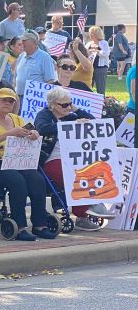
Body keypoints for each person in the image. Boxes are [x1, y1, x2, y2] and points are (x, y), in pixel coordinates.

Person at [0, 88, 56, 241]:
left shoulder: (16, 119)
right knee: (17, 181)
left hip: (16, 159)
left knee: (37, 180)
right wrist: (9, 133)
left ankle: (40, 224)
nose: (7, 103)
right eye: (4, 100)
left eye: (11, 101)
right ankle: (20, 226)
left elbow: (31, 132)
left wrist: (34, 134)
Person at [35, 86, 110, 232]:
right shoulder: (44, 115)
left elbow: (92, 121)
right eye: (64, 105)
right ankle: (86, 210)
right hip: (50, 159)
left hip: (71, 157)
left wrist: (76, 109)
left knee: (92, 170)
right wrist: (69, 125)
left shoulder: (68, 115)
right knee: (75, 176)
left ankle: (88, 208)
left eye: (70, 103)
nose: (68, 107)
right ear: (52, 105)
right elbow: (42, 128)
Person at [14, 30, 56, 97]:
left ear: (35, 42)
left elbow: (50, 81)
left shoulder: (45, 57)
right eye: (22, 40)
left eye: (25, 40)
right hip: (18, 97)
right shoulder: (21, 56)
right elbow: (16, 77)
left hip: (34, 99)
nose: (22, 42)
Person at [86, 25, 111, 95]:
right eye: (90, 33)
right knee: (88, 87)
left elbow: (106, 53)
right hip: (90, 68)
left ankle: (101, 100)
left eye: (92, 33)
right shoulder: (88, 44)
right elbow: (84, 53)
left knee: (100, 88)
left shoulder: (104, 43)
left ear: (97, 34)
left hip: (101, 68)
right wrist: (88, 52)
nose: (91, 35)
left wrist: (97, 52)